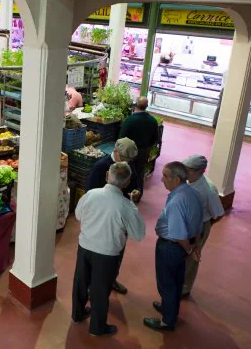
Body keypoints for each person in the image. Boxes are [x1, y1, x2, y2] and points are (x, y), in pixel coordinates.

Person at [72, 162, 146, 337]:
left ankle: (77, 314)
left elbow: (78, 215)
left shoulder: (91, 194)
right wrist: (133, 205)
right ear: (127, 182)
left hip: (85, 246)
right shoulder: (126, 206)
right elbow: (138, 234)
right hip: (107, 253)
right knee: (100, 289)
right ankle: (97, 328)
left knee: (80, 282)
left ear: (107, 175)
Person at [144, 162, 203, 332]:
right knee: (176, 281)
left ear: (177, 179)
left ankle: (167, 321)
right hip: (182, 247)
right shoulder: (193, 192)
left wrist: (189, 250)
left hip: (171, 247)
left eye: (165, 176)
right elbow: (199, 223)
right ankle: (170, 307)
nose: (162, 180)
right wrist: (195, 245)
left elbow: (178, 235)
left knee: (167, 284)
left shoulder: (177, 201)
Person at [87, 138, 138, 295]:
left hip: (121, 218)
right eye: (124, 159)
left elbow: (136, 182)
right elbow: (90, 194)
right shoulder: (100, 167)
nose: (127, 163)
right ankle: (92, 286)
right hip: (103, 220)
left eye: (129, 160)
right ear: (116, 152)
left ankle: (111, 279)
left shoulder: (129, 166)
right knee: (98, 254)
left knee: (118, 252)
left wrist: (136, 192)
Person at [181, 155, 225, 297]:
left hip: (199, 227)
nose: (183, 172)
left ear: (197, 171)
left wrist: (206, 227)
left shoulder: (207, 190)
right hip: (185, 224)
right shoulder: (189, 182)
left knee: (191, 258)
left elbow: (219, 214)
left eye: (186, 170)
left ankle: (184, 289)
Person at [119, 96, 159, 201]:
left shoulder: (129, 120)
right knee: (140, 172)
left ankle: (126, 195)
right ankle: (138, 194)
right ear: (146, 106)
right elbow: (156, 139)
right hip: (144, 151)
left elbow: (121, 139)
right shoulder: (152, 121)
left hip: (129, 151)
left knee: (127, 172)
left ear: (135, 105)